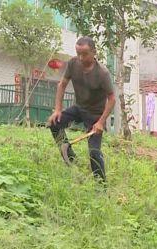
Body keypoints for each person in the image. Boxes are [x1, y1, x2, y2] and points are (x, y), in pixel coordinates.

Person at [48, 36, 115, 182]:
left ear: (94, 52)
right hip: (79, 108)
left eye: (84, 54)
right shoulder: (73, 63)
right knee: (54, 123)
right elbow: (62, 85)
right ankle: (70, 158)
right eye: (78, 53)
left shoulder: (102, 73)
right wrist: (58, 109)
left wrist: (100, 122)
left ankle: (101, 186)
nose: (81, 58)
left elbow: (112, 99)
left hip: (95, 115)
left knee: (94, 152)